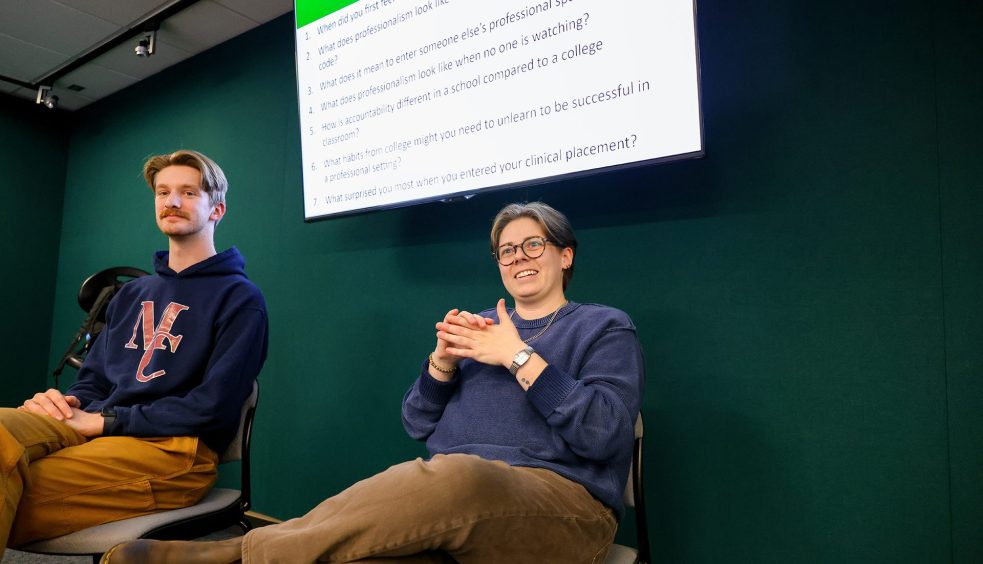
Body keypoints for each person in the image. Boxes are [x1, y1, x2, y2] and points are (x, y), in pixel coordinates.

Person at [104, 201, 643, 564]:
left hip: (560, 507)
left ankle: (233, 554)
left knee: (458, 477)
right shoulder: (479, 328)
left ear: (564, 255)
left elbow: (605, 435)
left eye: (534, 245)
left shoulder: (603, 325)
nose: (518, 258)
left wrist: (519, 357)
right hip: (444, 497)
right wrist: (442, 365)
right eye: (507, 249)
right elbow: (416, 421)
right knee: (401, 505)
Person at [0, 150, 269, 555]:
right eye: (163, 192)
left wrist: (107, 422)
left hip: (175, 451)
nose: (171, 201)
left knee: (13, 485)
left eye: (188, 192)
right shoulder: (131, 294)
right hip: (97, 425)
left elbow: (214, 406)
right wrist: (68, 402)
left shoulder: (239, 298)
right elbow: (94, 379)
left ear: (217, 209)